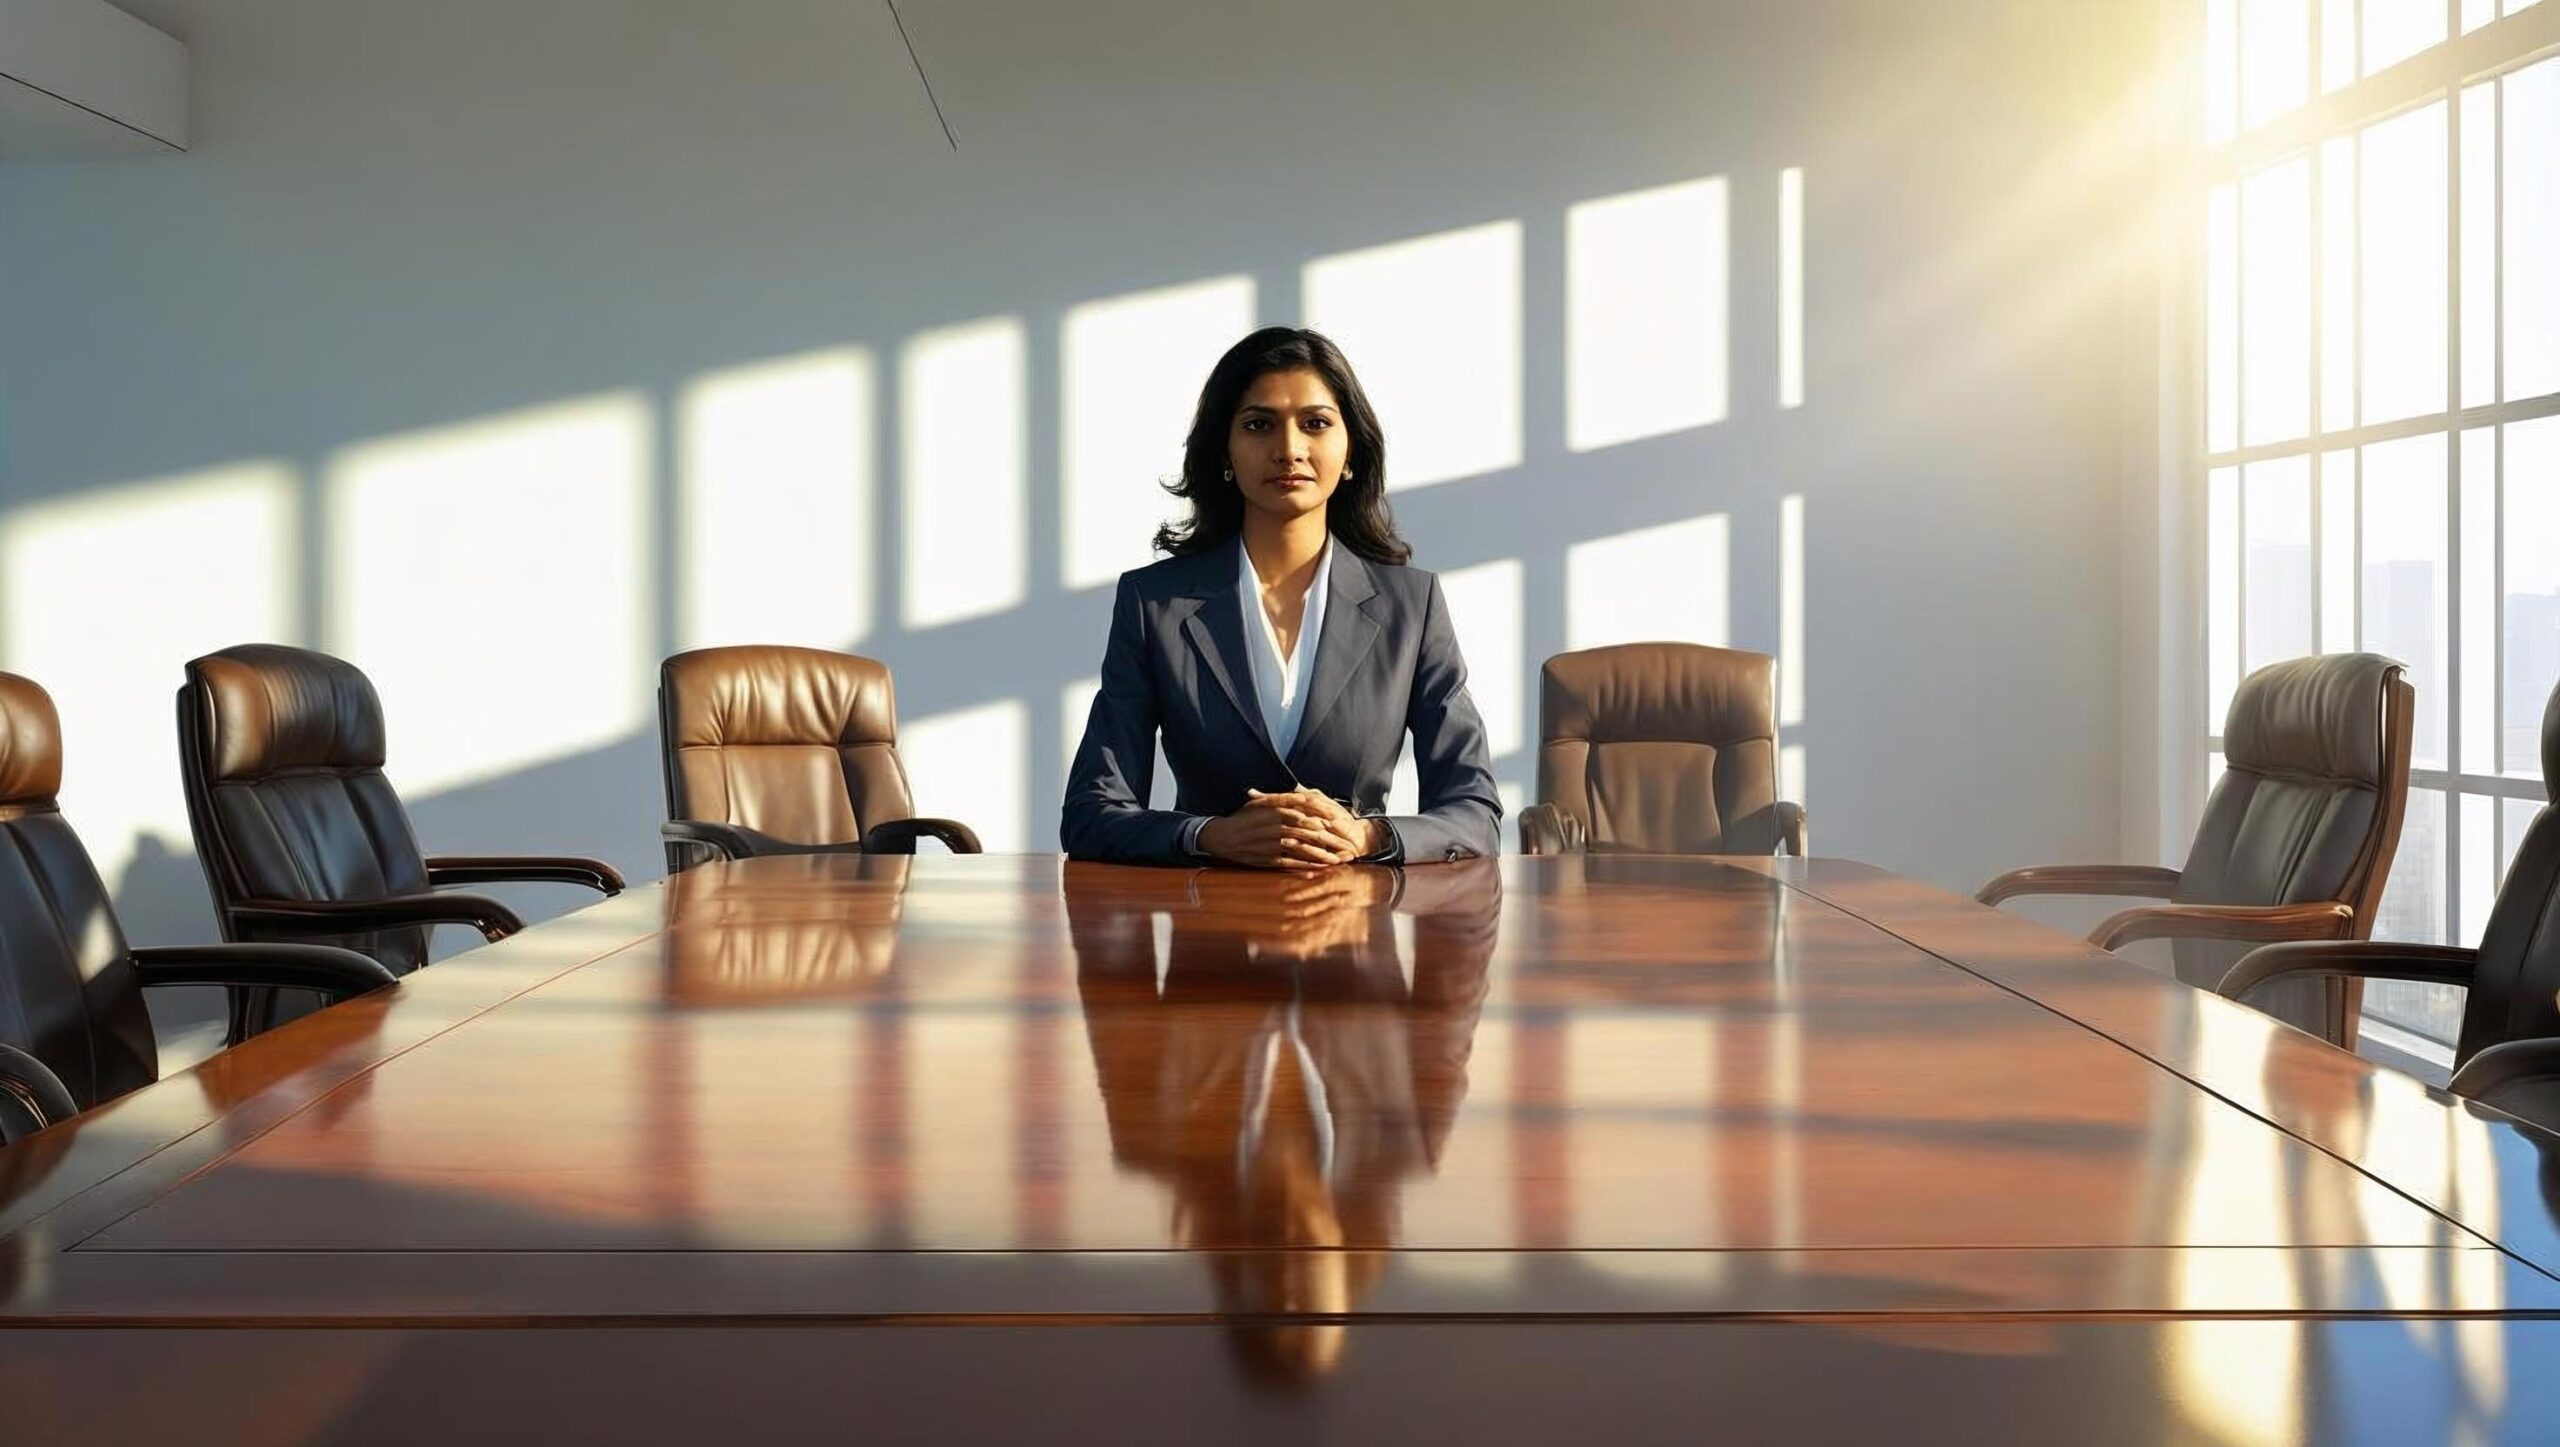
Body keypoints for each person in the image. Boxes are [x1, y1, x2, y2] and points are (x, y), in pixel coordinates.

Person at [1059, 326, 1502, 867]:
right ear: (1224, 451)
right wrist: (1208, 836)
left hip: (1358, 931)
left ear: (1350, 452)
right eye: (1258, 425)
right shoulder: (1155, 604)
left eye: (1315, 424)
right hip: (1206, 928)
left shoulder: (1412, 604)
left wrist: (1369, 837)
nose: (1289, 449)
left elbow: (1474, 811)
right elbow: (1090, 813)